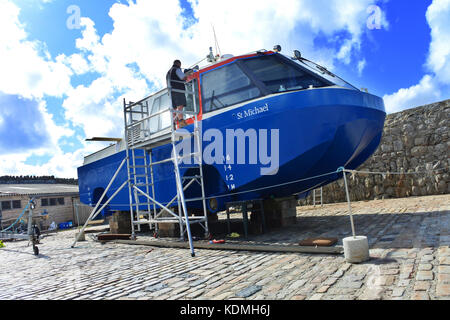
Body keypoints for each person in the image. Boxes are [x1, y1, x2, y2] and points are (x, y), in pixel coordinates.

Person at [166, 60, 187, 128]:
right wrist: (186, 76)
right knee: (179, 106)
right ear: (179, 64)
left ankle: (174, 124)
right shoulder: (177, 69)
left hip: (171, 92)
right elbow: (183, 77)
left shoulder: (168, 73)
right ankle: (181, 121)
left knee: (174, 108)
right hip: (178, 90)